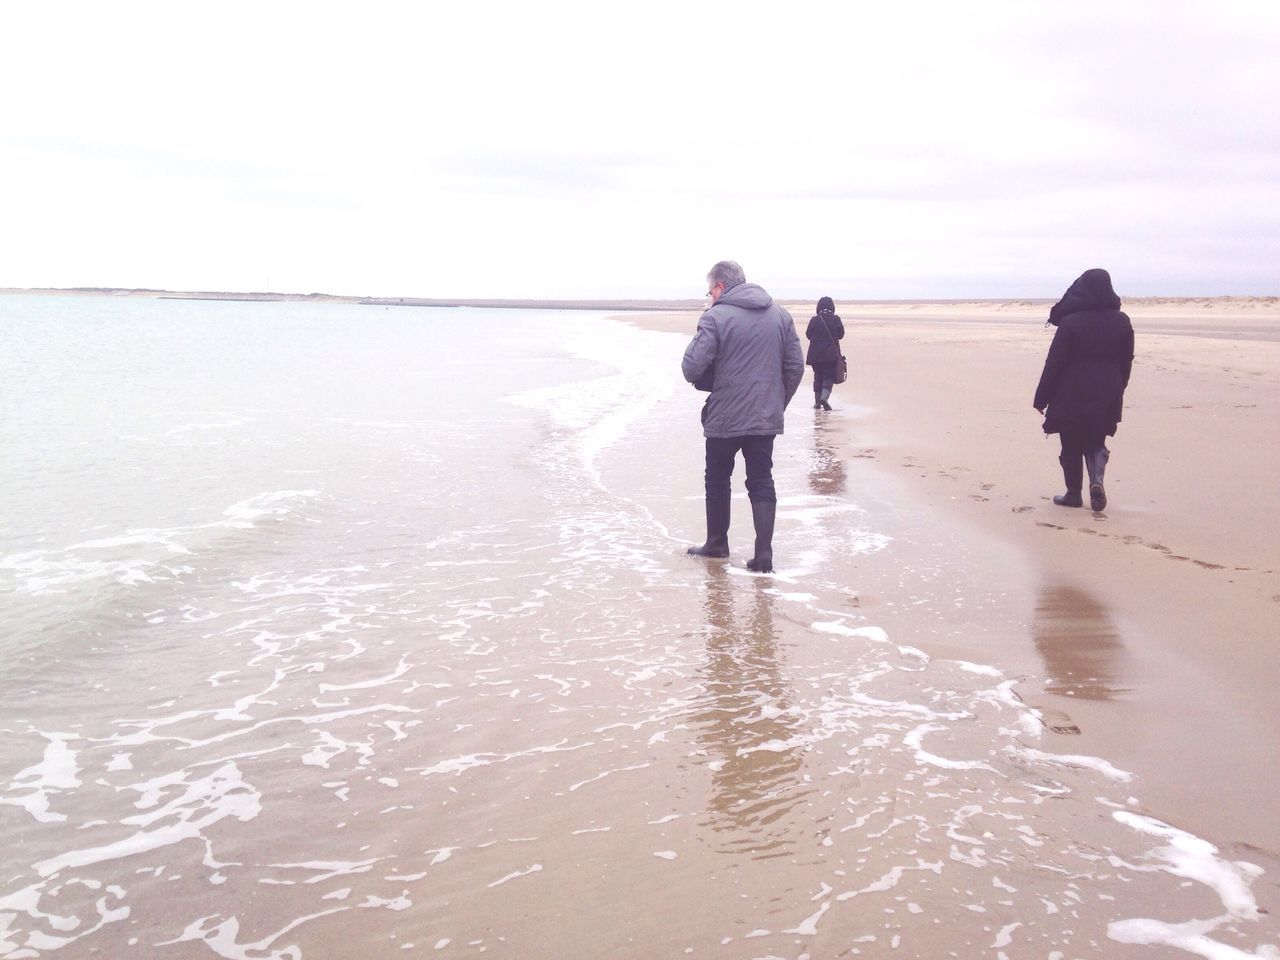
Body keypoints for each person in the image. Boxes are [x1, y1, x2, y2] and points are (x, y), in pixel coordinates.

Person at [682, 261, 804, 572]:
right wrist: (776, 403)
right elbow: (795, 368)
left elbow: (691, 368)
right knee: (761, 481)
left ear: (720, 287)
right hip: (764, 417)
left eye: (710, 291)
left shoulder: (715, 317)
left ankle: (717, 544)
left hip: (725, 416)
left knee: (718, 479)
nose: (710, 297)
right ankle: (764, 556)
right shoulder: (781, 315)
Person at [1033, 268, 1135, 511]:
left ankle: (1073, 494)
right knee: (1095, 438)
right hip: (1108, 389)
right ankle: (1096, 480)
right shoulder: (1122, 321)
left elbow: (1054, 363)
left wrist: (1041, 398)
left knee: (1070, 442)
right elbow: (1126, 360)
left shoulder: (1070, 322)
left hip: (1072, 390)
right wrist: (1119, 387)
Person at [805, 296, 845, 410]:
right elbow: (841, 334)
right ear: (832, 307)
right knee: (828, 376)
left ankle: (817, 403)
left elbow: (808, 335)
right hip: (831, 355)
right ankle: (824, 398)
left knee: (818, 376)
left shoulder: (814, 320)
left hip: (815, 355)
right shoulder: (836, 319)